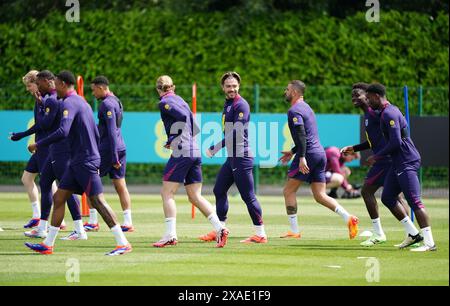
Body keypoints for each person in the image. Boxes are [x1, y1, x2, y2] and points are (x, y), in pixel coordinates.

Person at [24, 70, 131, 256]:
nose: (53, 88)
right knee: (59, 198)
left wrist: (38, 144)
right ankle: (48, 243)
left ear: (64, 84)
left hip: (85, 161)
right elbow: (94, 132)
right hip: (78, 161)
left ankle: (123, 243)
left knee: (97, 201)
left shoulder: (70, 103)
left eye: (56, 84)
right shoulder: (82, 102)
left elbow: (63, 131)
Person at [153, 75, 229, 248]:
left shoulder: (163, 102)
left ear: (158, 89)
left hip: (182, 151)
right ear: (174, 87)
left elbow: (180, 117)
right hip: (194, 149)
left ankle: (170, 235)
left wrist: (174, 138)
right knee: (195, 196)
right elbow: (194, 127)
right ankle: (220, 228)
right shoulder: (181, 100)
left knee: (167, 193)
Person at [279, 80, 359, 240]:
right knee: (319, 194)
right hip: (319, 153)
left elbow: (302, 135)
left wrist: (301, 157)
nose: (285, 92)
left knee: (288, 191)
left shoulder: (294, 110)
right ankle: (348, 218)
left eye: (287, 89)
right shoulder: (307, 107)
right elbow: (309, 135)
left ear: (294, 92)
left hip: (308, 154)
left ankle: (294, 231)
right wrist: (292, 152)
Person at [341, 83, 418, 247]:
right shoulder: (369, 115)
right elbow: (372, 141)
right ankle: (413, 233)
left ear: (368, 97)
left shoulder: (374, 113)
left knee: (367, 192)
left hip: (384, 161)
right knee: (394, 197)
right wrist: (353, 148)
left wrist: (378, 156)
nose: (354, 98)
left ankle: (379, 233)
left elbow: (394, 121)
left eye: (358, 95)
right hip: (387, 160)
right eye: (352, 95)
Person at [365, 83, 436, 252]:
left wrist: (376, 156)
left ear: (376, 96)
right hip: (398, 163)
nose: (368, 102)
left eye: (369, 98)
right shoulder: (386, 112)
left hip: (406, 161)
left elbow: (396, 142)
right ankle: (413, 234)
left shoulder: (389, 113)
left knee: (414, 201)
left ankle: (429, 243)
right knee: (388, 197)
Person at [200, 72, 267, 244]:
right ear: (223, 87)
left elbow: (236, 132)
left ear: (239, 86)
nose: (232, 89)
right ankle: (219, 229)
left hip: (241, 157)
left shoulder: (241, 105)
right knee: (219, 190)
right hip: (232, 157)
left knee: (248, 196)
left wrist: (215, 147)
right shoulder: (228, 104)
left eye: (235, 86)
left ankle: (260, 234)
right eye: (229, 86)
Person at [23, 70, 86, 240]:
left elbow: (46, 124)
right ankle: (42, 227)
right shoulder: (51, 99)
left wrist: (31, 139)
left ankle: (80, 229)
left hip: (61, 151)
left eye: (37, 82)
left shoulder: (53, 99)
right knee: (44, 183)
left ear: (46, 81)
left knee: (67, 188)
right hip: (54, 150)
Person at [84, 76, 133, 233]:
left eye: (93, 90)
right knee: (120, 185)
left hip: (109, 150)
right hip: (120, 146)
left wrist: (113, 157)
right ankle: (128, 222)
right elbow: (110, 128)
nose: (93, 93)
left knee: (89, 181)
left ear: (101, 88)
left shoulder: (106, 104)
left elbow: (111, 131)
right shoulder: (116, 100)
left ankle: (93, 221)